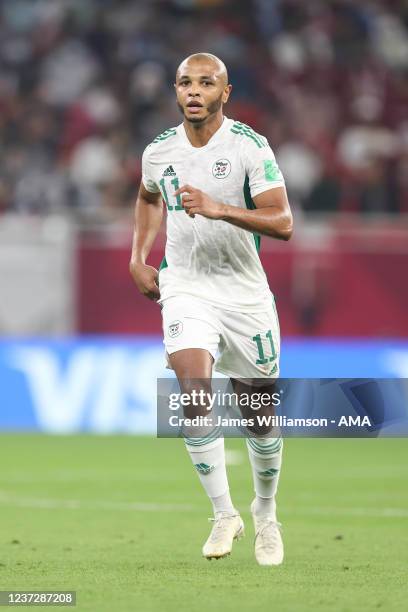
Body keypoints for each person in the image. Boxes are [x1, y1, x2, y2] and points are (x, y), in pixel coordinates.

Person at [130, 53, 293, 565]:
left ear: (226, 92)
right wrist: (138, 257)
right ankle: (224, 513)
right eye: (184, 82)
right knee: (194, 390)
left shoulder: (249, 146)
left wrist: (220, 207)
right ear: (175, 91)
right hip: (186, 286)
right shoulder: (158, 151)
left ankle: (265, 514)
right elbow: (148, 196)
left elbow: (283, 221)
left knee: (259, 416)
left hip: (244, 294)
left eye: (206, 83)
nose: (193, 91)